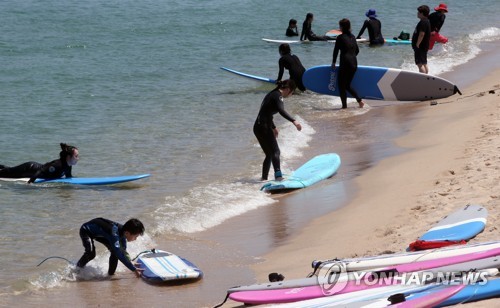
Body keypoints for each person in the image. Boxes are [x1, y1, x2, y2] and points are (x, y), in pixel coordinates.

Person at [253, 79, 302, 181]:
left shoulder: (271, 94)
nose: (291, 94)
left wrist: (274, 127)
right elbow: (281, 110)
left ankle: (264, 179)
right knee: (276, 152)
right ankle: (278, 177)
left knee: (269, 154)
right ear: (288, 89)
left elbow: (266, 113)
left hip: (258, 127)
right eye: (292, 92)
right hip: (264, 127)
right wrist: (294, 121)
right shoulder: (278, 96)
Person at [76, 217, 145, 277]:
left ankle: (110, 275)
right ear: (127, 233)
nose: (135, 239)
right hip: (86, 230)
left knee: (114, 252)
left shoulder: (123, 232)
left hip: (100, 233)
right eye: (135, 236)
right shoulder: (114, 235)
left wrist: (129, 261)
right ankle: (77, 269)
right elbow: (119, 254)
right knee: (91, 254)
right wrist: (133, 269)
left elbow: (123, 250)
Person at [0, 143, 79, 183]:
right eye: (76, 156)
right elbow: (40, 171)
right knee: (8, 173)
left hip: (32, 171)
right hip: (29, 168)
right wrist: (30, 183)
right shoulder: (57, 165)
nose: (78, 158)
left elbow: (69, 177)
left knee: (10, 170)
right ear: (68, 157)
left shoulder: (68, 165)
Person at [331, 18, 365, 109]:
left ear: (341, 27)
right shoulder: (353, 37)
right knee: (347, 85)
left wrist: (333, 62)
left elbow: (335, 51)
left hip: (345, 63)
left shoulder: (340, 37)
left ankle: (344, 107)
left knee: (342, 86)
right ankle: (359, 101)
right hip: (354, 63)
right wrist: (351, 57)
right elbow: (357, 50)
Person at [412, 5, 431, 74]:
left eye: (418, 12)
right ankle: (426, 77)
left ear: (422, 13)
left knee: (420, 64)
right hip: (424, 46)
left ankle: (423, 78)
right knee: (424, 63)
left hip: (420, 46)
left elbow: (422, 34)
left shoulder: (423, 22)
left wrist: (417, 44)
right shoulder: (427, 21)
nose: (417, 14)